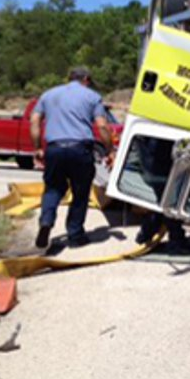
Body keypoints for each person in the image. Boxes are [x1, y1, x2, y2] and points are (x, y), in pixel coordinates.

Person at [31, 67, 113, 249]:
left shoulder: (48, 95)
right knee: (81, 192)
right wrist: (109, 150)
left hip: (55, 148)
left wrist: (37, 148)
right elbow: (102, 126)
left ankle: (46, 221)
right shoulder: (92, 97)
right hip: (80, 150)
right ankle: (75, 235)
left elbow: (34, 120)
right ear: (86, 79)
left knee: (53, 188)